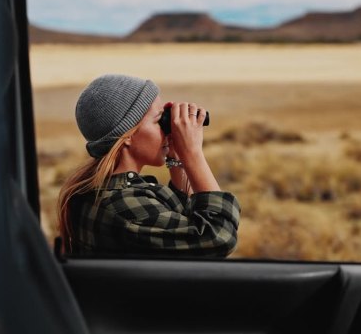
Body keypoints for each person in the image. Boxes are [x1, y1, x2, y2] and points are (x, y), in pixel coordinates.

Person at [57, 74, 240, 257]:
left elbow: (178, 217)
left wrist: (176, 157)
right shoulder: (120, 207)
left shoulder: (100, 191)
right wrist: (192, 153)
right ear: (127, 135)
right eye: (159, 120)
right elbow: (219, 236)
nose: (168, 128)